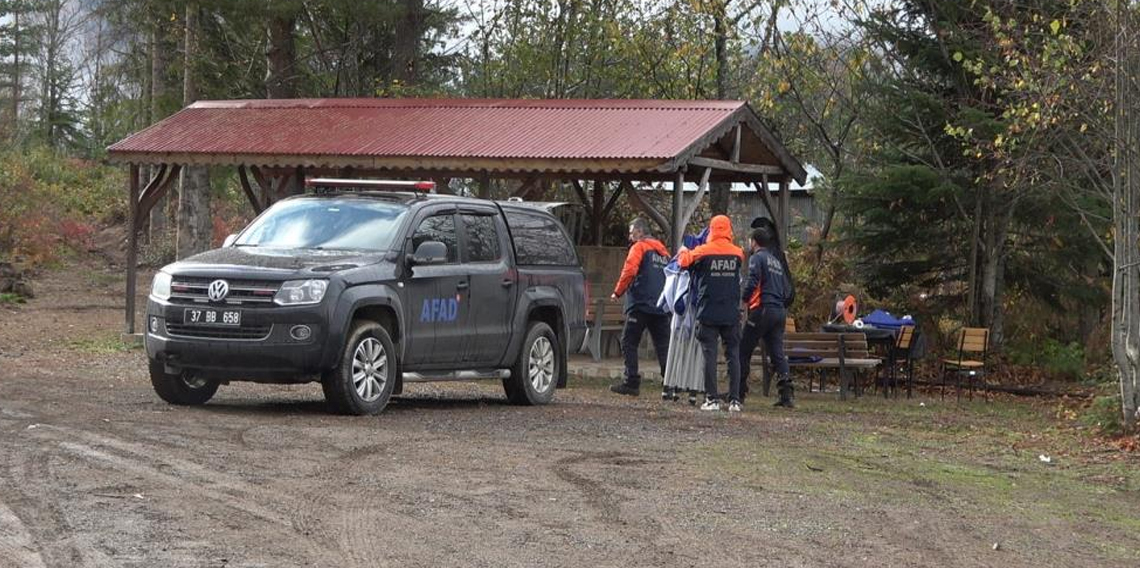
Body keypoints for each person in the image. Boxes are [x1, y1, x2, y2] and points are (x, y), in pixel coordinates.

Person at [678, 215, 745, 412]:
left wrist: (683, 249)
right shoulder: (738, 253)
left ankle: (712, 399)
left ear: (711, 229)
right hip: (731, 312)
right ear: (729, 229)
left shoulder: (702, 251)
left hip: (708, 311)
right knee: (733, 355)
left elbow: (683, 262)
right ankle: (734, 400)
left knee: (709, 355)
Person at [609, 218, 671, 397]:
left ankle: (631, 382)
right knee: (663, 346)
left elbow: (629, 271)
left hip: (640, 304)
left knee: (628, 341)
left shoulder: (639, 247)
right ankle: (669, 385)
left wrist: (617, 292)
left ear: (639, 232)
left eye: (631, 232)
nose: (630, 236)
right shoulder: (664, 252)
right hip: (661, 306)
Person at [738, 225, 794, 408]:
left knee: (743, 349)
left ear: (754, 242)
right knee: (777, 353)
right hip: (779, 312)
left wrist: (743, 300)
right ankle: (786, 395)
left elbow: (753, 280)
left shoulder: (757, 258)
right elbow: (786, 288)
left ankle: (738, 392)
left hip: (762, 309)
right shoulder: (776, 262)